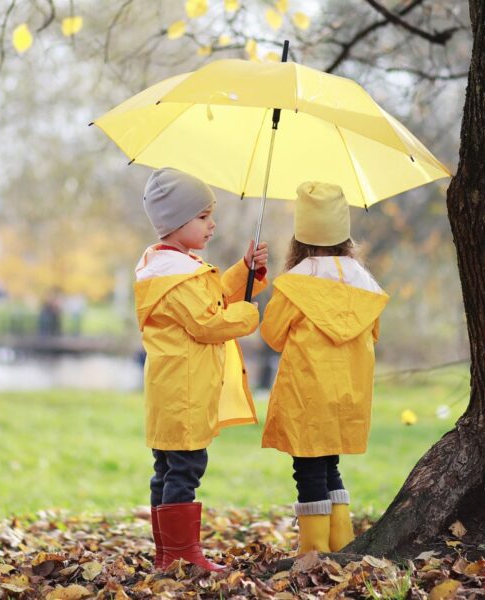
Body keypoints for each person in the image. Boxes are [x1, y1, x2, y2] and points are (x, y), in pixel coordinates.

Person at [134, 168, 268, 571]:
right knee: (185, 471)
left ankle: (167, 556)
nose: (213, 224)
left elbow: (212, 297)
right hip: (185, 393)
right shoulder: (176, 277)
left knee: (169, 470)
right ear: (177, 222)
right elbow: (209, 322)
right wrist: (247, 316)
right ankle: (181, 557)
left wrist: (245, 269)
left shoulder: (174, 269)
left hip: (172, 392)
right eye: (203, 216)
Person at [260, 181, 389, 554]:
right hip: (347, 395)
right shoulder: (365, 284)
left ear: (301, 237)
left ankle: (313, 554)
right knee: (330, 466)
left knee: (309, 471)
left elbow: (272, 333)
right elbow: (373, 333)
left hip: (307, 396)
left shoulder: (296, 283)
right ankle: (341, 546)